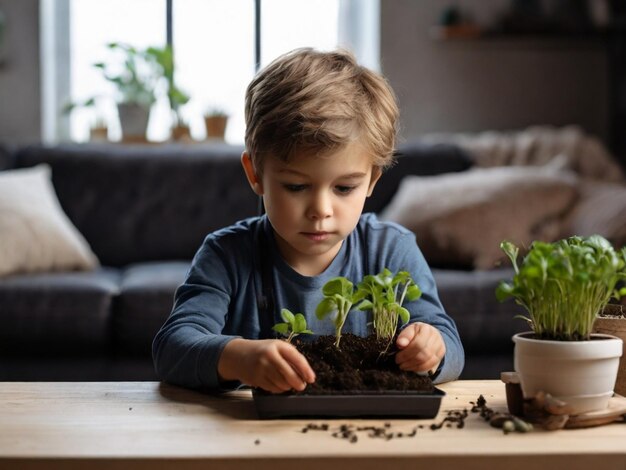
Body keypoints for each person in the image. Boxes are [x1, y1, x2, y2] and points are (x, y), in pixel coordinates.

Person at [152, 48, 464, 393]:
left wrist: (432, 348)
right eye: (296, 186)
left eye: (344, 187)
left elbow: (448, 342)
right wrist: (237, 357)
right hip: (254, 437)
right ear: (255, 174)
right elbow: (172, 347)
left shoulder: (391, 249)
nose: (321, 209)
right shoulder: (226, 254)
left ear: (372, 180)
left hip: (367, 430)